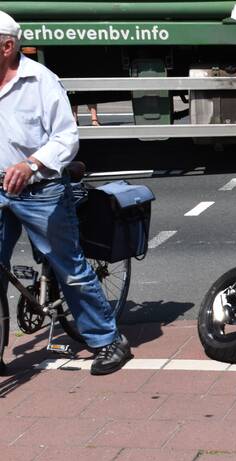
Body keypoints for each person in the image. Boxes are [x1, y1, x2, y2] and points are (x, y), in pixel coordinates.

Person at [0, 11, 132, 375]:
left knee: (69, 267)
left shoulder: (40, 81)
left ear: (7, 47)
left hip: (39, 189)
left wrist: (31, 165)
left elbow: (66, 137)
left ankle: (108, 340)